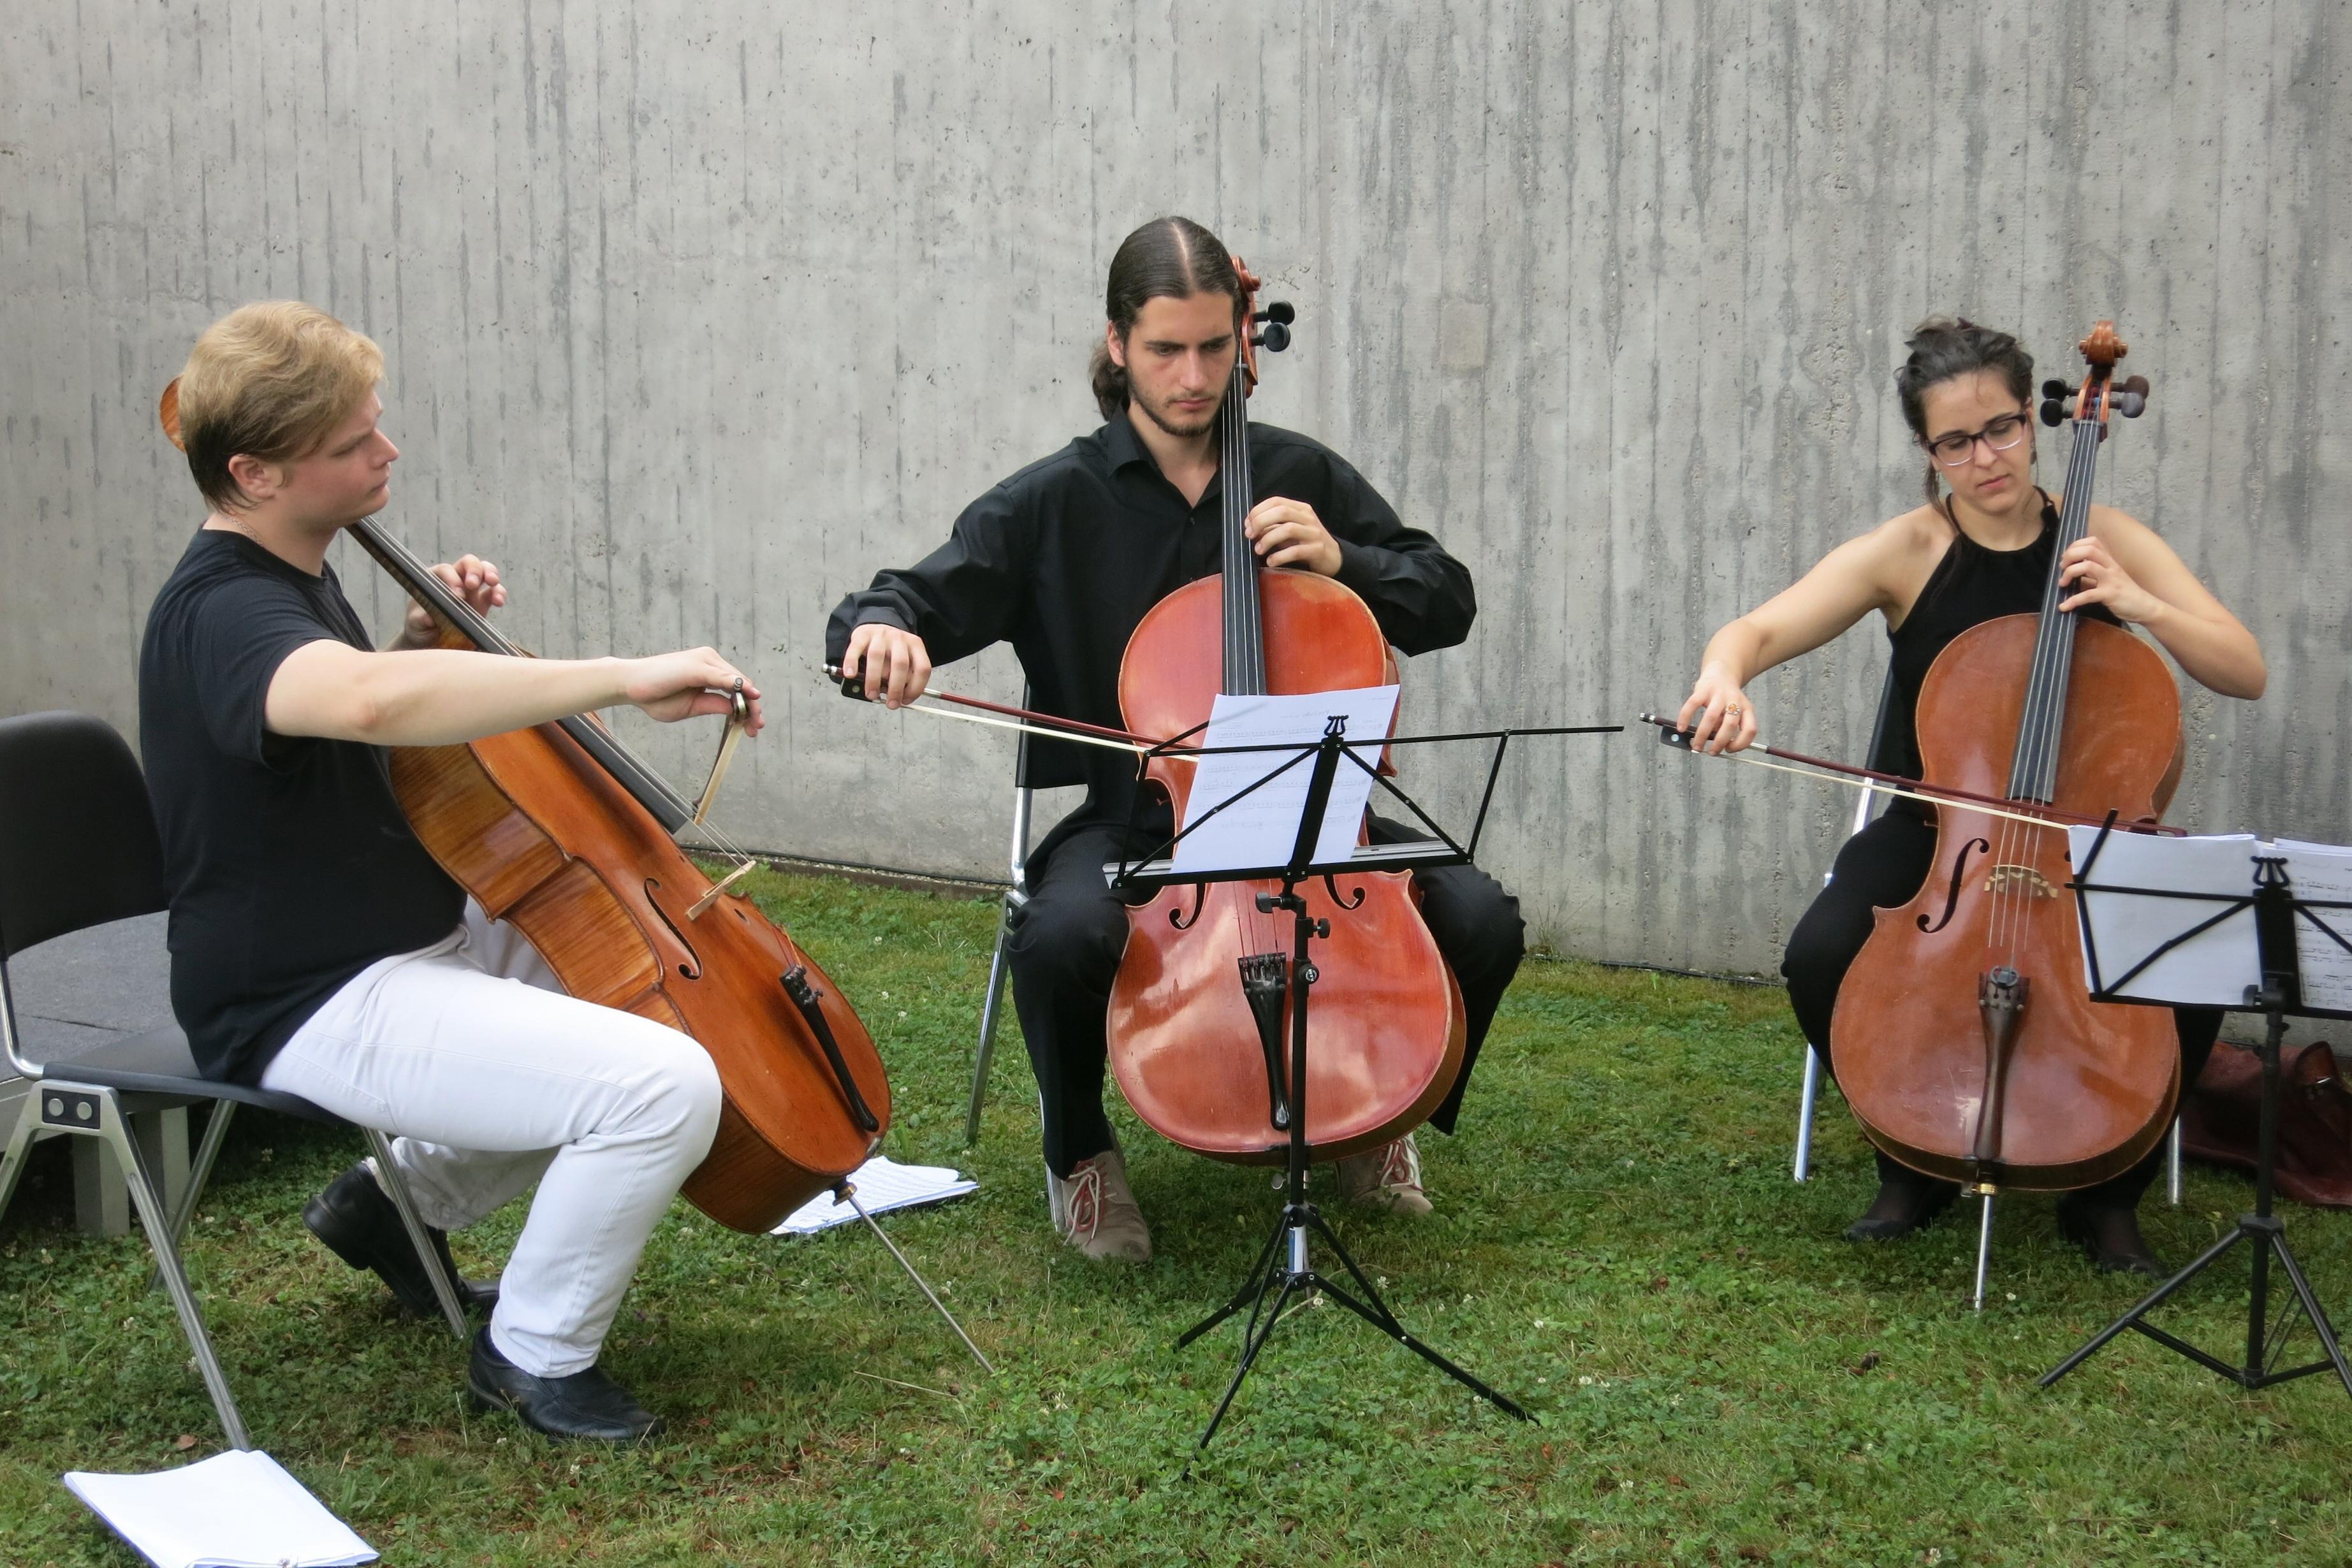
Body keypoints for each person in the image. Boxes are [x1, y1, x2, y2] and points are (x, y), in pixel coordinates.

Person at [826, 217, 1525, 1263]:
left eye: (1213, 346)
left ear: (1244, 337)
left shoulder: (1298, 476)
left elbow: (1447, 599)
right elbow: (897, 601)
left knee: (1481, 917)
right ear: (1117, 345)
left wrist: (1347, 562)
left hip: (1311, 812)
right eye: (1166, 350)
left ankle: (1379, 1123)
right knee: (1061, 935)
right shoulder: (1052, 502)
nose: (1196, 376)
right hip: (1136, 823)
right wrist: (879, 631)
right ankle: (1078, 1156)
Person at [141, 301, 766, 1441]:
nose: (387, 453)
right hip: (301, 991)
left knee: (620, 980)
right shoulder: (222, 608)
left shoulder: (295, 568)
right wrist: (621, 676)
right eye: (350, 446)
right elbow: (368, 706)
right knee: (657, 1083)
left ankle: (391, 1209)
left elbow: (340, 709)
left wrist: (419, 641)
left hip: (393, 934)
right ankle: (531, 1357)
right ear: (254, 472)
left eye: (376, 427)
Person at [1676, 316, 2267, 1275]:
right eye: (1954, 442)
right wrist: (1722, 677)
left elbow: (2244, 670)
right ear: (1926, 449)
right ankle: (1910, 1160)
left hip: (2085, 835)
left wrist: (2140, 601)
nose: (1982, 458)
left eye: (1998, 429)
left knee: (2190, 958)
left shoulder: (2105, 538)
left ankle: (2104, 1194)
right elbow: (1754, 630)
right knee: (1820, 952)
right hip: (1938, 830)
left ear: (2035, 422)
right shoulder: (1903, 551)